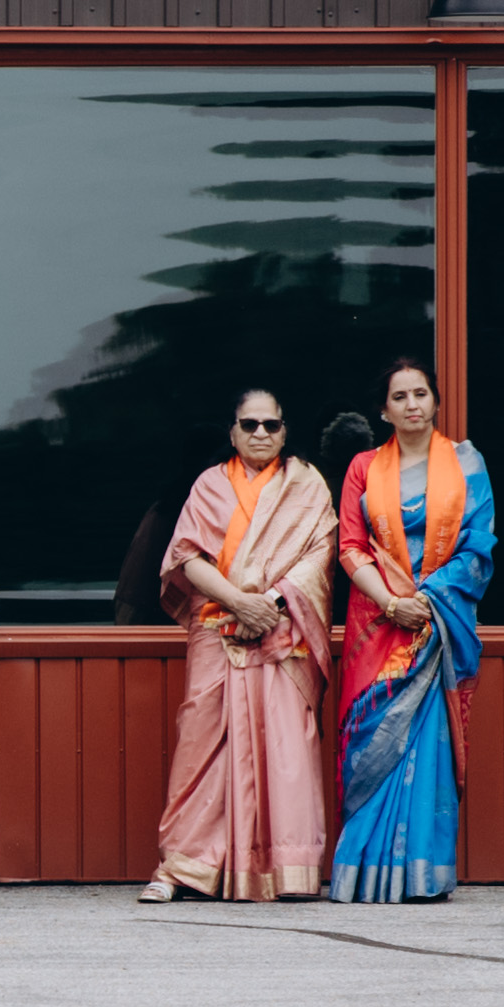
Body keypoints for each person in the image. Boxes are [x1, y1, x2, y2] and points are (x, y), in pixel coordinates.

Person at [140, 386, 336, 903]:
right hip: (217, 628)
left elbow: (318, 556)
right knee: (201, 747)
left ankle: (286, 869)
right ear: (232, 433)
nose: (261, 434)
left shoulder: (307, 485)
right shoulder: (209, 485)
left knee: (284, 747)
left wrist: (267, 604)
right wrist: (238, 602)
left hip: (282, 632)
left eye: (271, 425)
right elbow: (186, 556)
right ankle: (184, 866)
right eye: (249, 425)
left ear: (285, 432)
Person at [331, 359, 495, 904]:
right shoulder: (363, 467)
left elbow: (479, 544)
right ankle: (364, 874)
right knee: (372, 740)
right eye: (399, 397)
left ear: (436, 401)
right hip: (379, 624)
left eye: (420, 393)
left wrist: (428, 599)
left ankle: (422, 875)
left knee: (429, 748)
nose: (412, 405)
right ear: (384, 410)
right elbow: (350, 546)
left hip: (438, 623)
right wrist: (391, 602)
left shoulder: (467, 463)